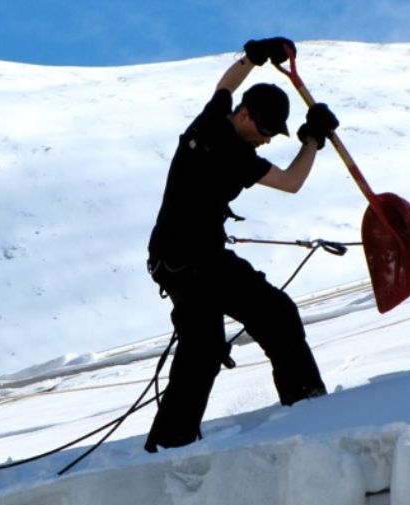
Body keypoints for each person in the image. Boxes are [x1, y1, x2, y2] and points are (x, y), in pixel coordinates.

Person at [145, 37, 339, 453]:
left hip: (189, 257)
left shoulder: (212, 121)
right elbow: (291, 183)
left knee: (239, 330)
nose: (267, 140)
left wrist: (252, 58)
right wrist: (313, 141)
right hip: (189, 262)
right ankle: (306, 404)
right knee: (230, 334)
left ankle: (173, 440)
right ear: (247, 116)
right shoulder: (231, 152)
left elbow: (226, 85)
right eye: (266, 130)